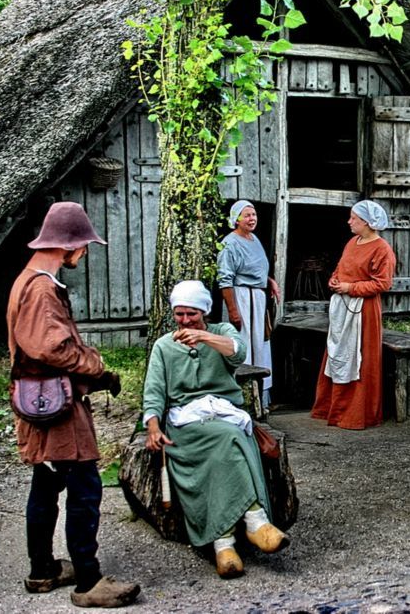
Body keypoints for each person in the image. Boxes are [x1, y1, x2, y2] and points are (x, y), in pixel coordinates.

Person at [6, 201, 140, 608]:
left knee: (45, 486)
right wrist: (96, 366)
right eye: (84, 246)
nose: (84, 253)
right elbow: (51, 347)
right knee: (85, 488)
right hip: (56, 408)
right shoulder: (42, 287)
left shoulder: (28, 280)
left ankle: (43, 570)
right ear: (69, 245)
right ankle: (88, 581)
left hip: (41, 401)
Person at [142, 280, 289, 579]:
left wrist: (204, 337)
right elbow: (154, 393)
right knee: (229, 438)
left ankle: (227, 544)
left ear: (205, 312)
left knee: (230, 436)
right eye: (180, 314)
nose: (185, 321)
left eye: (192, 314)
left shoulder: (220, 332)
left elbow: (238, 352)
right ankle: (253, 522)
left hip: (223, 413)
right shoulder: (163, 346)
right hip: (186, 423)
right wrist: (153, 428)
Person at [310, 200, 396, 430]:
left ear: (367, 222)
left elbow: (382, 284)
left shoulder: (382, 249)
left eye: (354, 218)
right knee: (338, 353)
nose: (349, 221)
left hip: (363, 311)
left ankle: (356, 414)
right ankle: (334, 409)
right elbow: (342, 267)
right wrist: (335, 280)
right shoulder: (352, 242)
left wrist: (351, 288)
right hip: (343, 307)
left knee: (359, 359)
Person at [217, 200, 279, 406]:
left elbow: (256, 268)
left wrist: (269, 281)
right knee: (242, 345)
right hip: (241, 298)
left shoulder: (254, 240)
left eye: (254, 215)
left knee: (259, 347)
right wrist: (233, 311)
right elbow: (225, 279)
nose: (252, 219)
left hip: (258, 300)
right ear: (236, 219)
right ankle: (240, 398)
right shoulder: (230, 243)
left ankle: (261, 397)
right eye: (247, 215)